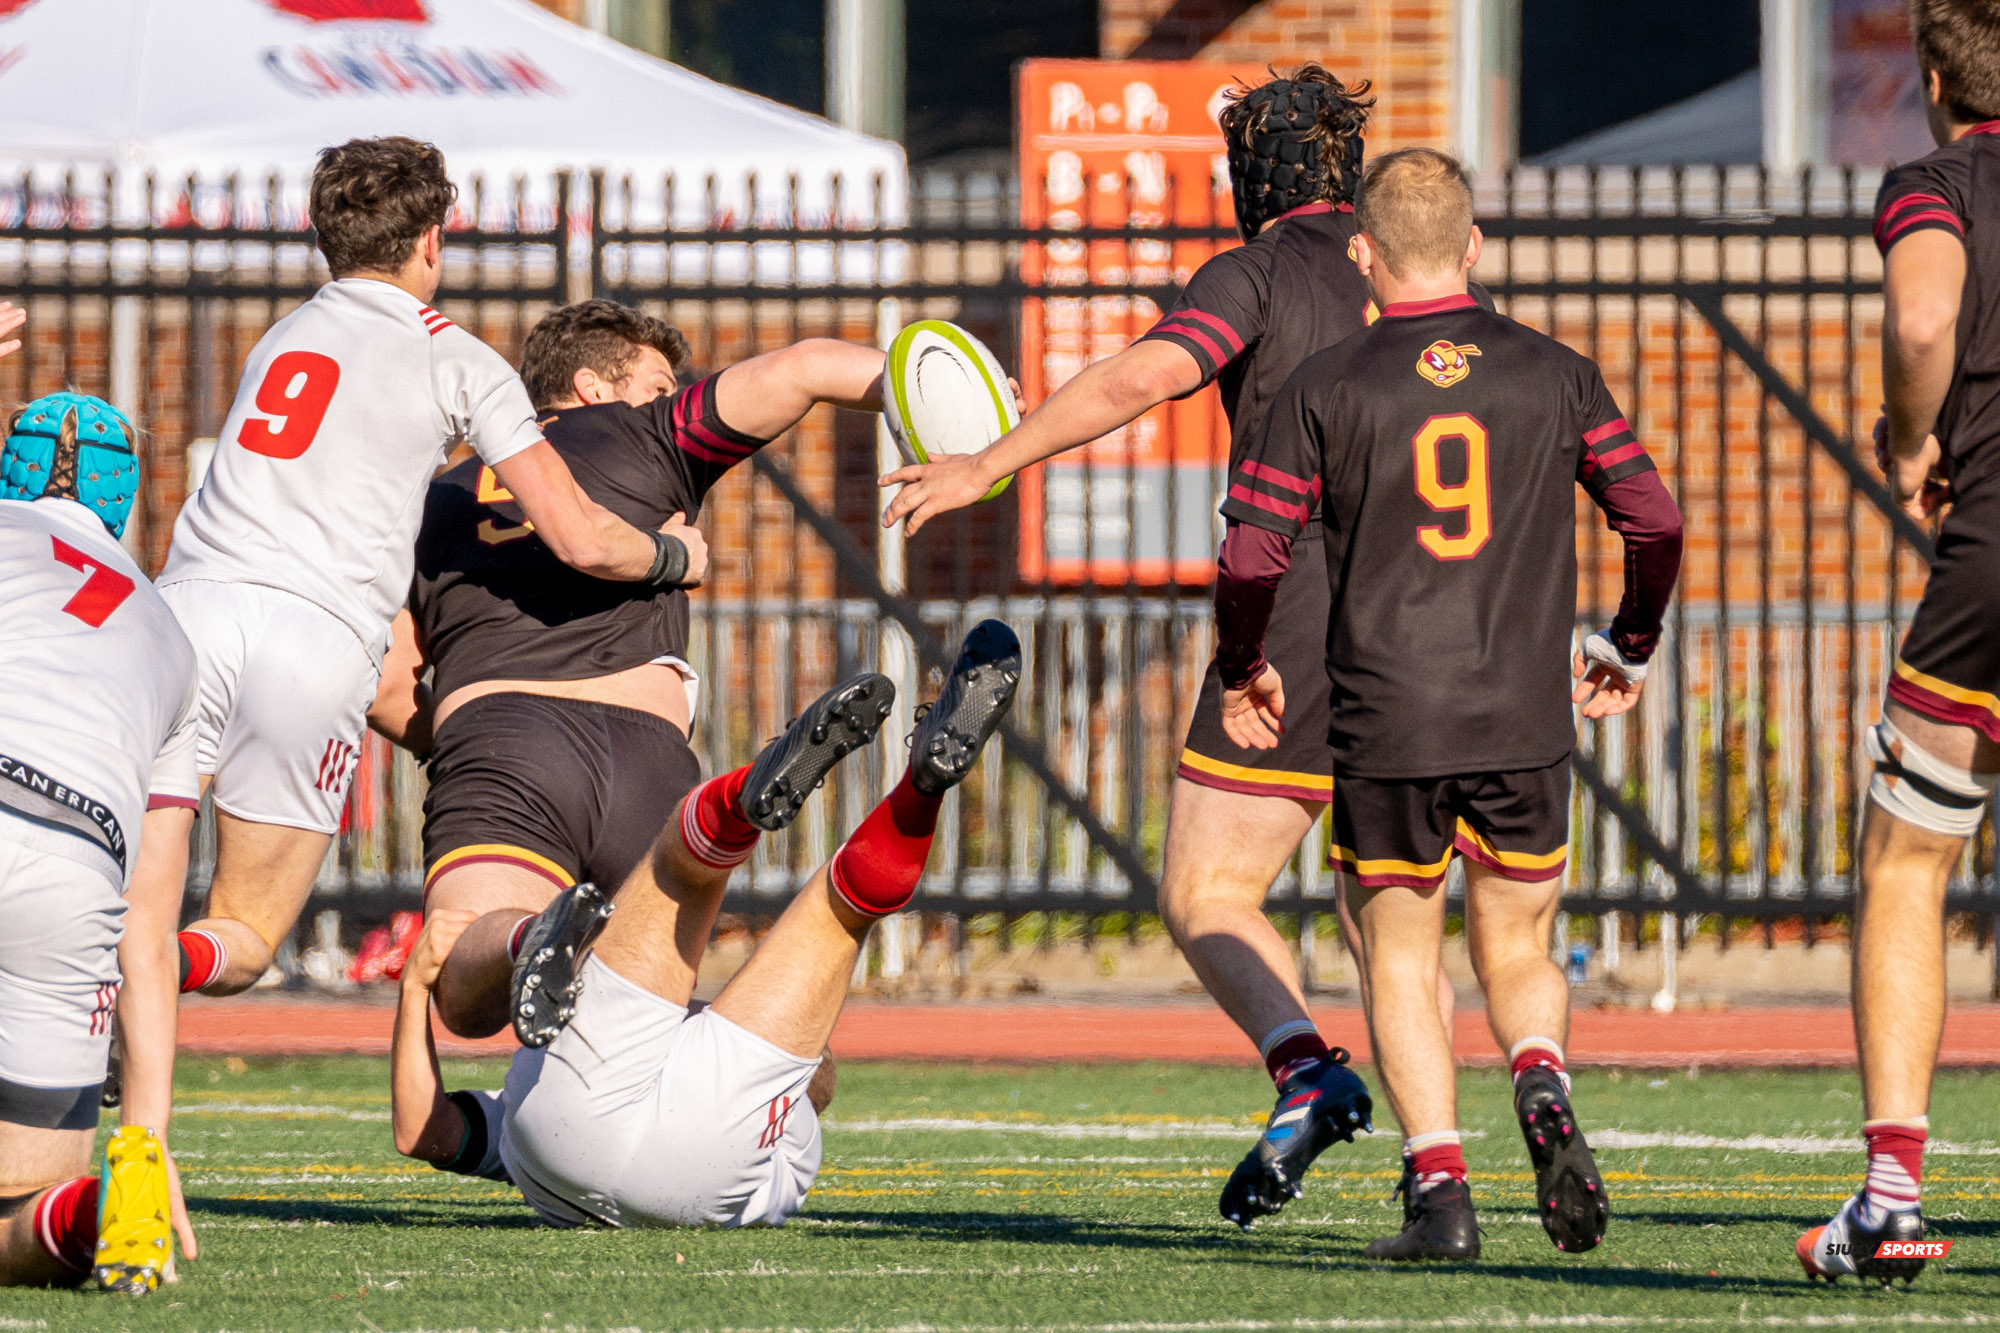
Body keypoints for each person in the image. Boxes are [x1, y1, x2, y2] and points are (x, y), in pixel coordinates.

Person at [880, 64, 1456, 1225]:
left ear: (1249, 179)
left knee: (1206, 889)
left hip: (1296, 614)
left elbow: (1142, 376)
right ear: (1348, 167)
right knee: (1388, 924)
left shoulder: (1255, 272)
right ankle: (1437, 1178)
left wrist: (986, 463)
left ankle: (1303, 1067)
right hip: (1441, 624)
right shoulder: (1420, 274)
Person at [1213, 147, 1682, 1260]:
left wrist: (1244, 666)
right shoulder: (1555, 372)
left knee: (1398, 951)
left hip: (1384, 719)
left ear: (1363, 255)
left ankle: (1440, 1194)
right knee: (1516, 942)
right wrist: (1628, 642)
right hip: (1522, 715)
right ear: (1472, 248)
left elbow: (1247, 553)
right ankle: (1539, 1072)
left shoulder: (1324, 385)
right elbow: (1653, 519)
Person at [146, 139, 690, 1000]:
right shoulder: (460, 357)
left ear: (324, 235)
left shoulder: (279, 338)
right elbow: (582, 538)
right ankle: (155, 976)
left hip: (183, 612)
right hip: (311, 637)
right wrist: (674, 555)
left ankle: (101, 998)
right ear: (434, 239)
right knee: (242, 935)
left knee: (128, 896)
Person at [366, 298, 890, 1041]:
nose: (670, 398)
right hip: (651, 749)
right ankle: (772, 1059)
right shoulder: (648, 432)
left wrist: (455, 741)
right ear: (591, 386)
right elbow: (805, 367)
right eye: (657, 383)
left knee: (464, 981)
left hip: (502, 737)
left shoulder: (432, 499)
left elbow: (385, 685)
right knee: (635, 1028)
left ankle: (528, 939)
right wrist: (945, 390)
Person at [390, 623, 1021, 1228]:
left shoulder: (771, 1093)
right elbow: (425, 1133)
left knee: (836, 909)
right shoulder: (775, 1093)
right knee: (712, 886)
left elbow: (423, 1130)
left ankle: (875, 792)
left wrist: (417, 988)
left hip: (615, 1141)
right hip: (668, 1163)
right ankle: (908, 785)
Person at [1796, 0, 2000, 1288]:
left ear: (1930, 76)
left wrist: (1909, 435)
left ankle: (1887, 1197)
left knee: (1906, 858)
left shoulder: (1935, 181)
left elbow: (1921, 324)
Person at [0, 380, 203, 1294]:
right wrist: (147, 1137)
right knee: (22, 1206)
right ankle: (95, 1207)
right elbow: (149, 930)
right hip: (74, 870)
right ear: (123, 501)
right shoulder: (170, 634)